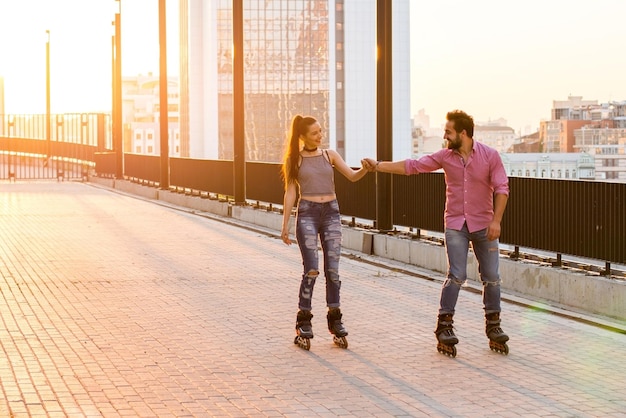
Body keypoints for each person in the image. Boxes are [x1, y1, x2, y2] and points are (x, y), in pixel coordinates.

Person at [363, 110, 510, 355]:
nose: (444, 136)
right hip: (455, 225)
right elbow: (413, 166)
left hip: (484, 224)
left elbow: (502, 188)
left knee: (492, 276)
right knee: (456, 275)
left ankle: (493, 327)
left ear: (462, 133)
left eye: (448, 131)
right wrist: (378, 166)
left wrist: (497, 221)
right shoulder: (445, 157)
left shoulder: (490, 156)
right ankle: (444, 326)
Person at [281, 115, 368, 347]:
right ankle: (304, 319)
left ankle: (335, 317)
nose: (320, 136)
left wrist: (366, 169)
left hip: (331, 213)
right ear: (302, 137)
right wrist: (285, 226)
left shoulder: (330, 155)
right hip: (307, 214)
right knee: (311, 269)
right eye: (314, 133)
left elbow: (351, 175)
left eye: (320, 131)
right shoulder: (295, 160)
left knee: (333, 270)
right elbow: (290, 193)